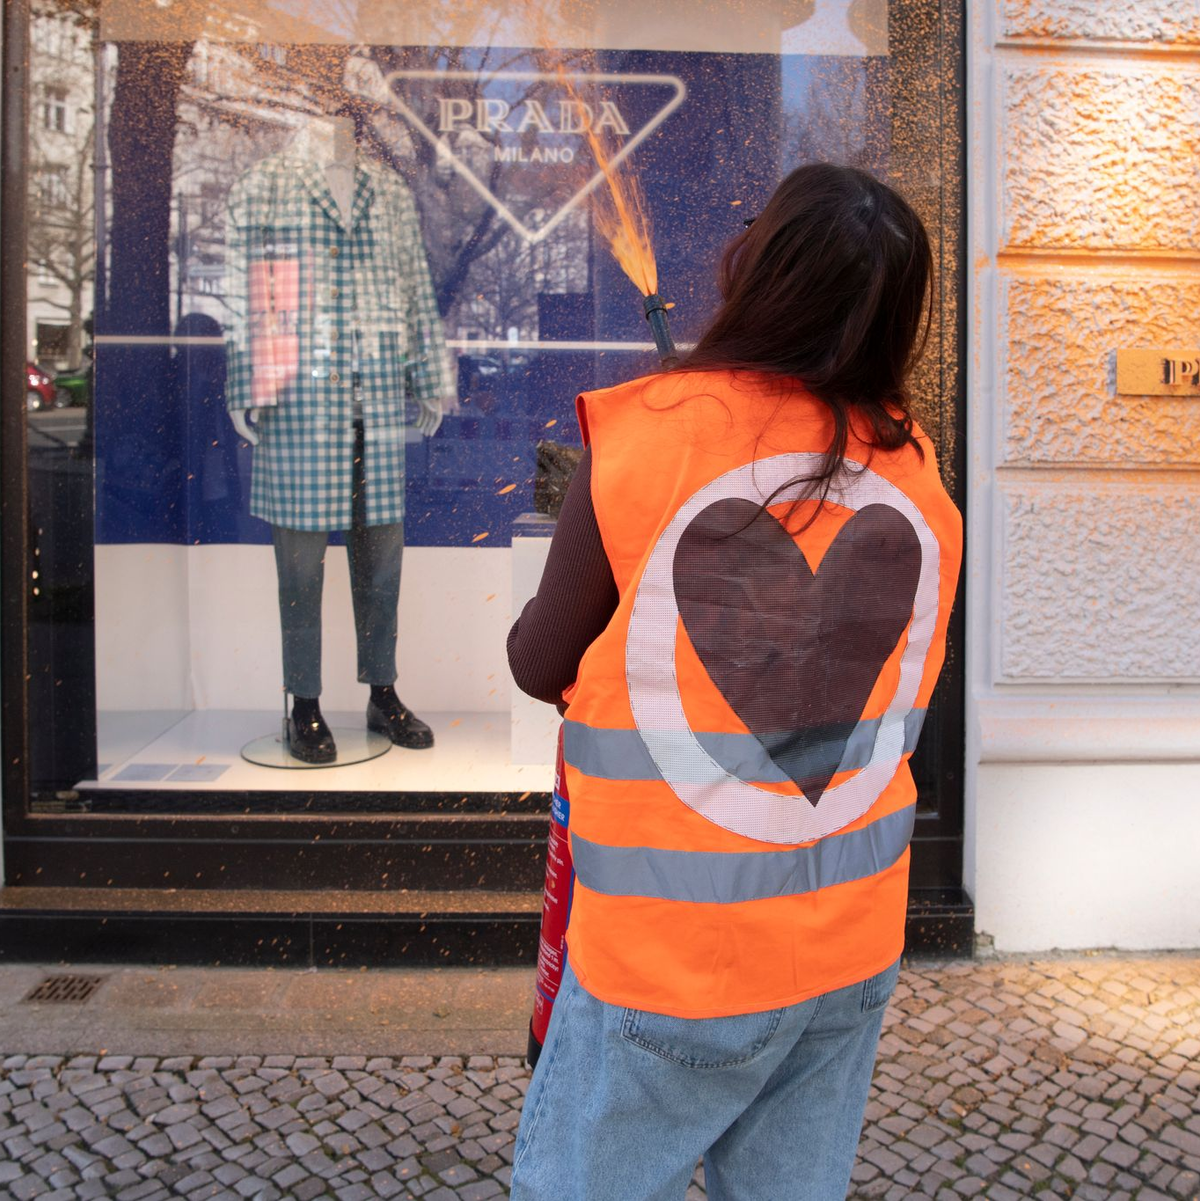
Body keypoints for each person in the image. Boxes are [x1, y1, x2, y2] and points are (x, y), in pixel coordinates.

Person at [505, 163, 964, 1200]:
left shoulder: (649, 434)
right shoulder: (921, 477)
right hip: (847, 950)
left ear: (762, 271)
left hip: (676, 960)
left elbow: (542, 663)